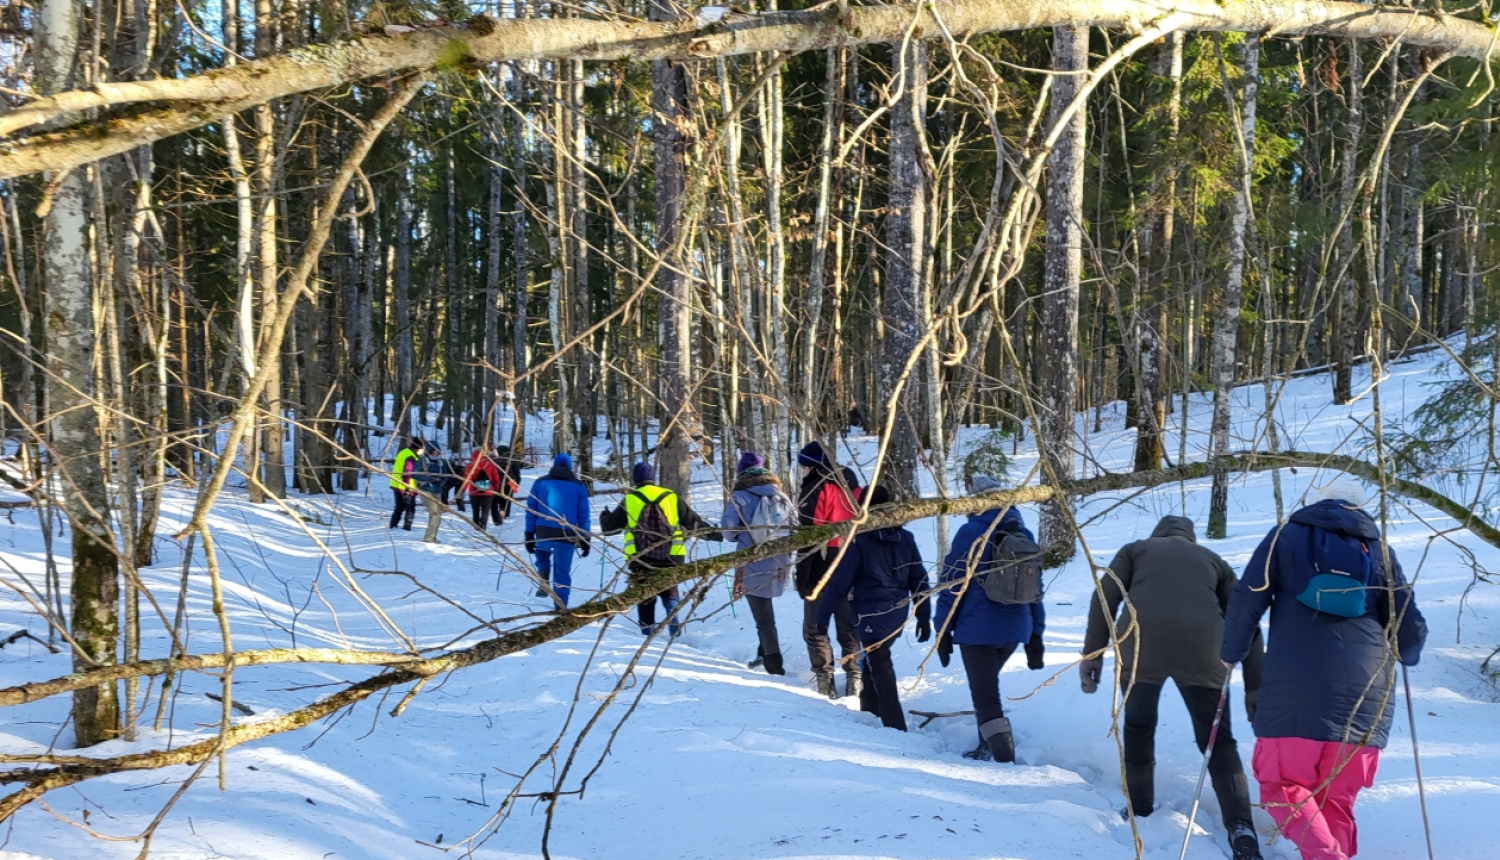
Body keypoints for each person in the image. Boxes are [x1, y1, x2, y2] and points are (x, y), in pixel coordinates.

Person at [1221, 482, 1426, 860]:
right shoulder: (1379, 550)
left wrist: (1230, 653)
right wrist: (1409, 653)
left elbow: (1248, 596)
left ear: (1318, 503)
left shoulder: (1284, 537)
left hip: (1294, 694)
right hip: (1367, 700)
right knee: (1336, 800)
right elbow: (1407, 625)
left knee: (1281, 787)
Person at [1081, 515, 1263, 860]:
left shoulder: (1135, 551)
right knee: (1217, 740)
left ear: (1158, 534)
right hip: (1204, 647)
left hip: (1140, 643)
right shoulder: (1212, 560)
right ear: (1190, 538)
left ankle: (1139, 808)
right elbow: (1245, 617)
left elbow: (1104, 598)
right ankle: (1241, 827)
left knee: (1138, 724)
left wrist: (1092, 655)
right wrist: (1255, 686)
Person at [935, 474, 1045, 763]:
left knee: (985, 695)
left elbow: (952, 583)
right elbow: (1036, 588)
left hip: (978, 629)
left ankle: (1004, 759)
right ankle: (988, 746)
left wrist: (942, 629)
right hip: (1016, 628)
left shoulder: (971, 532)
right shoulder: (1023, 533)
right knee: (987, 689)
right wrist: (1036, 634)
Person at [815, 484, 930, 730]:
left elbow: (839, 584)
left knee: (880, 663)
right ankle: (870, 713)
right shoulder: (905, 538)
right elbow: (919, 579)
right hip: (897, 611)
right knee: (873, 659)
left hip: (870, 612)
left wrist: (822, 617)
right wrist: (923, 614)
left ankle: (895, 725)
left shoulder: (860, 541)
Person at [600, 461, 717, 639]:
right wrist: (713, 533)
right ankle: (672, 611)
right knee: (669, 586)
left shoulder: (630, 499)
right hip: (672, 555)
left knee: (644, 593)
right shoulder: (670, 497)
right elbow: (693, 522)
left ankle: (647, 631)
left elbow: (609, 528)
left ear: (635, 479)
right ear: (653, 478)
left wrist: (605, 517)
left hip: (640, 557)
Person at [715, 451, 794, 675]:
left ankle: (774, 666)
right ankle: (763, 654)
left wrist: (741, 535)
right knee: (765, 614)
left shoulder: (739, 496)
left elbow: (728, 531)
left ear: (741, 472)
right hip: (781, 561)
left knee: (764, 619)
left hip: (752, 561)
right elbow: (795, 524)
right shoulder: (781, 495)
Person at [794, 440, 862, 699]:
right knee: (848, 623)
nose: (803, 471)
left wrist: (803, 577)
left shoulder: (815, 488)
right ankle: (855, 677)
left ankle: (825, 679)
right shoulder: (852, 486)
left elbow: (808, 535)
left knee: (815, 625)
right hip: (851, 557)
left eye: (804, 466)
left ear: (812, 466)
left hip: (822, 559)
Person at [523, 453, 592, 606]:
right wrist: (585, 537)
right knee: (562, 571)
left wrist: (529, 534)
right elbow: (584, 514)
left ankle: (543, 577)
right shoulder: (579, 486)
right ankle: (560, 606)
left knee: (542, 553)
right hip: (566, 533)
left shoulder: (540, 483)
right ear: (570, 466)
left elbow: (531, 510)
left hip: (543, 531)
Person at [464, 445, 503, 531]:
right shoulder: (490, 464)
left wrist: (463, 490)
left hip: (474, 492)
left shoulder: (470, 465)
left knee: (475, 510)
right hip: (487, 492)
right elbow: (496, 479)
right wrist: (495, 488)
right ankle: (483, 525)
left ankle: (476, 526)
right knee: (485, 511)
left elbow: (467, 479)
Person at [415, 443, 449, 543]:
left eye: (437, 451)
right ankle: (428, 538)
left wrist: (442, 479)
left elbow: (446, 474)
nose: (436, 453)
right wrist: (428, 478)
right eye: (434, 451)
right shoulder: (422, 460)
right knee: (434, 513)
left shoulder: (440, 462)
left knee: (438, 515)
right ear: (429, 451)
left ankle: (433, 536)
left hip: (437, 490)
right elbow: (414, 473)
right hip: (425, 489)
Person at [388, 437, 421, 531]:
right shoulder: (411, 457)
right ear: (417, 448)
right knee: (410, 508)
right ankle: (407, 527)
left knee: (399, 506)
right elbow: (407, 473)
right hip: (406, 486)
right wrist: (406, 489)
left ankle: (393, 525)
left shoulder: (403, 452)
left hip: (396, 483)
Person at [491, 444, 522, 522]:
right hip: (510, 482)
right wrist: (516, 483)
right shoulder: (512, 460)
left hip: (497, 482)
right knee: (507, 499)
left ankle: (498, 514)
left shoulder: (493, 460)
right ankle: (505, 514)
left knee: (497, 499)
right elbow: (517, 473)